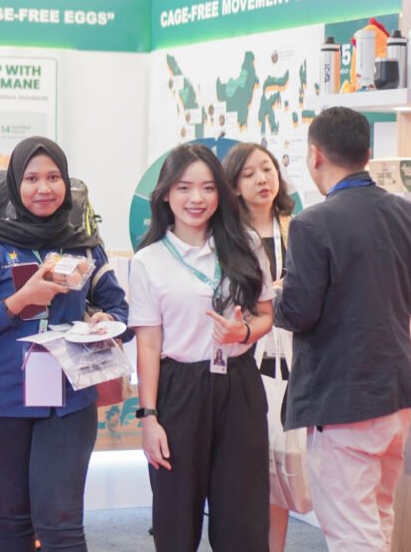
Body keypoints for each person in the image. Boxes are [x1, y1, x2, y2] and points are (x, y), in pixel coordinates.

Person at [0, 136, 128, 552]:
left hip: (68, 401)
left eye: (53, 177)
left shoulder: (84, 245)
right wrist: (20, 300)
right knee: (12, 524)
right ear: (15, 185)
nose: (43, 188)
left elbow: (120, 311)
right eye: (32, 178)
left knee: (61, 524)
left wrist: (106, 322)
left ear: (66, 183)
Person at [274, 106, 411, 551]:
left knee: (353, 533)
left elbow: (298, 313)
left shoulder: (312, 223)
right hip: (396, 395)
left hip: (342, 399)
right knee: (377, 516)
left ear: (315, 154)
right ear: (367, 153)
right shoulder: (407, 213)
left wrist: (274, 297)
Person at [129, 143, 275, 551]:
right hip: (179, 390)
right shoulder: (148, 261)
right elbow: (148, 344)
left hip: (239, 385)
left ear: (221, 193)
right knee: (176, 519)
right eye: (184, 188)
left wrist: (242, 334)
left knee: (243, 520)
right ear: (165, 195)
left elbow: (265, 315)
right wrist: (148, 417)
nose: (197, 198)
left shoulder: (245, 243)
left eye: (208, 188)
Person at [223, 141, 295, 552]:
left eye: (267, 169)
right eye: (248, 174)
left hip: (293, 354)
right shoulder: (228, 236)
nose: (261, 180)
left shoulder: (296, 227)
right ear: (233, 185)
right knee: (249, 464)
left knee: (281, 465)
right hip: (244, 353)